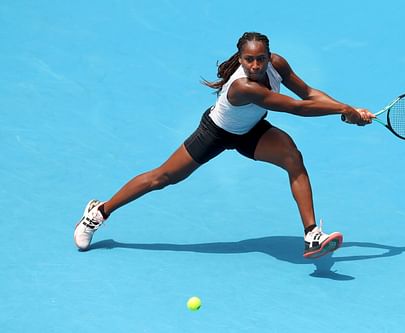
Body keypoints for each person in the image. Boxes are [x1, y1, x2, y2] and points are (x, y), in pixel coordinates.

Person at [74, 32, 374, 258]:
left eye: (261, 58)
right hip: (216, 132)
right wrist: (344, 111)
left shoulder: (277, 64)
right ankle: (99, 212)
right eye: (249, 60)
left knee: (292, 157)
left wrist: (349, 108)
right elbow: (296, 108)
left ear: (270, 55)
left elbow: (307, 93)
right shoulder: (243, 86)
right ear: (240, 59)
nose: (256, 65)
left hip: (252, 130)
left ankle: (312, 235)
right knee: (162, 178)